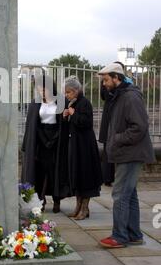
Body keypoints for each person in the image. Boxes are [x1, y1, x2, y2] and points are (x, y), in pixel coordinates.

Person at [98, 62, 155, 248]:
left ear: (117, 78)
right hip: (127, 152)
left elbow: (139, 127)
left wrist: (116, 139)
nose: (104, 84)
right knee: (129, 195)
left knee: (120, 194)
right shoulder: (120, 95)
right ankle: (134, 234)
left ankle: (120, 236)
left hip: (130, 153)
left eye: (106, 80)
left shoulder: (130, 97)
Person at [21, 74, 70, 213]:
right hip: (40, 141)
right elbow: (32, 125)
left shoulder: (61, 101)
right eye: (39, 89)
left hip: (57, 140)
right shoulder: (35, 103)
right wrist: (42, 140)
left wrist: (54, 139)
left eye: (44, 89)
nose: (42, 92)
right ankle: (41, 200)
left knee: (55, 171)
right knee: (40, 172)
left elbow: (64, 124)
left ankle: (57, 200)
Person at [63, 77, 103, 220]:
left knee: (85, 176)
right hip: (76, 145)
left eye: (68, 92)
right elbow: (72, 123)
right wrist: (66, 115)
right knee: (77, 175)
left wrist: (73, 114)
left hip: (85, 146)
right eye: (66, 93)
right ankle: (78, 207)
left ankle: (84, 209)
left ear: (76, 91)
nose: (66, 95)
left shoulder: (84, 103)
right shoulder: (72, 103)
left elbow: (86, 123)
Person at [99, 61, 133, 186]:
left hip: (113, 115)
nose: (104, 83)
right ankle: (109, 177)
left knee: (109, 148)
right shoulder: (127, 82)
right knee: (108, 148)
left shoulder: (127, 88)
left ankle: (108, 178)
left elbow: (103, 96)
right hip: (111, 115)